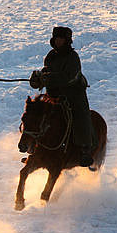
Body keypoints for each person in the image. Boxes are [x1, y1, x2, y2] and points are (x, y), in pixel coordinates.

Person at [29, 25, 95, 166]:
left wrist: (47, 79)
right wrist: (37, 79)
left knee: (81, 116)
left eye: (61, 39)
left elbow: (68, 78)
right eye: (56, 39)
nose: (58, 42)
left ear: (67, 41)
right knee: (34, 114)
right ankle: (32, 147)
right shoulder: (51, 56)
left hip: (73, 95)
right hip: (53, 96)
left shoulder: (73, 57)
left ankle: (85, 149)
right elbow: (46, 72)